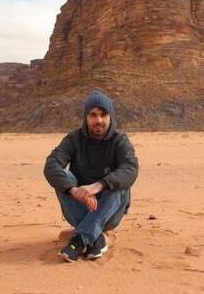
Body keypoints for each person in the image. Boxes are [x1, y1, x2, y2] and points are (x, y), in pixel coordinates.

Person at [43, 90, 139, 262]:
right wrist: (74, 191)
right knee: (62, 176)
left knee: (119, 184)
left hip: (109, 211)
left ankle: (79, 239)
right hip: (79, 206)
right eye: (93, 115)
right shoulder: (74, 139)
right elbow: (51, 165)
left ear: (111, 116)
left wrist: (99, 185)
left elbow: (131, 168)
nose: (98, 121)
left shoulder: (120, 141)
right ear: (86, 117)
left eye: (103, 115)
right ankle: (96, 237)